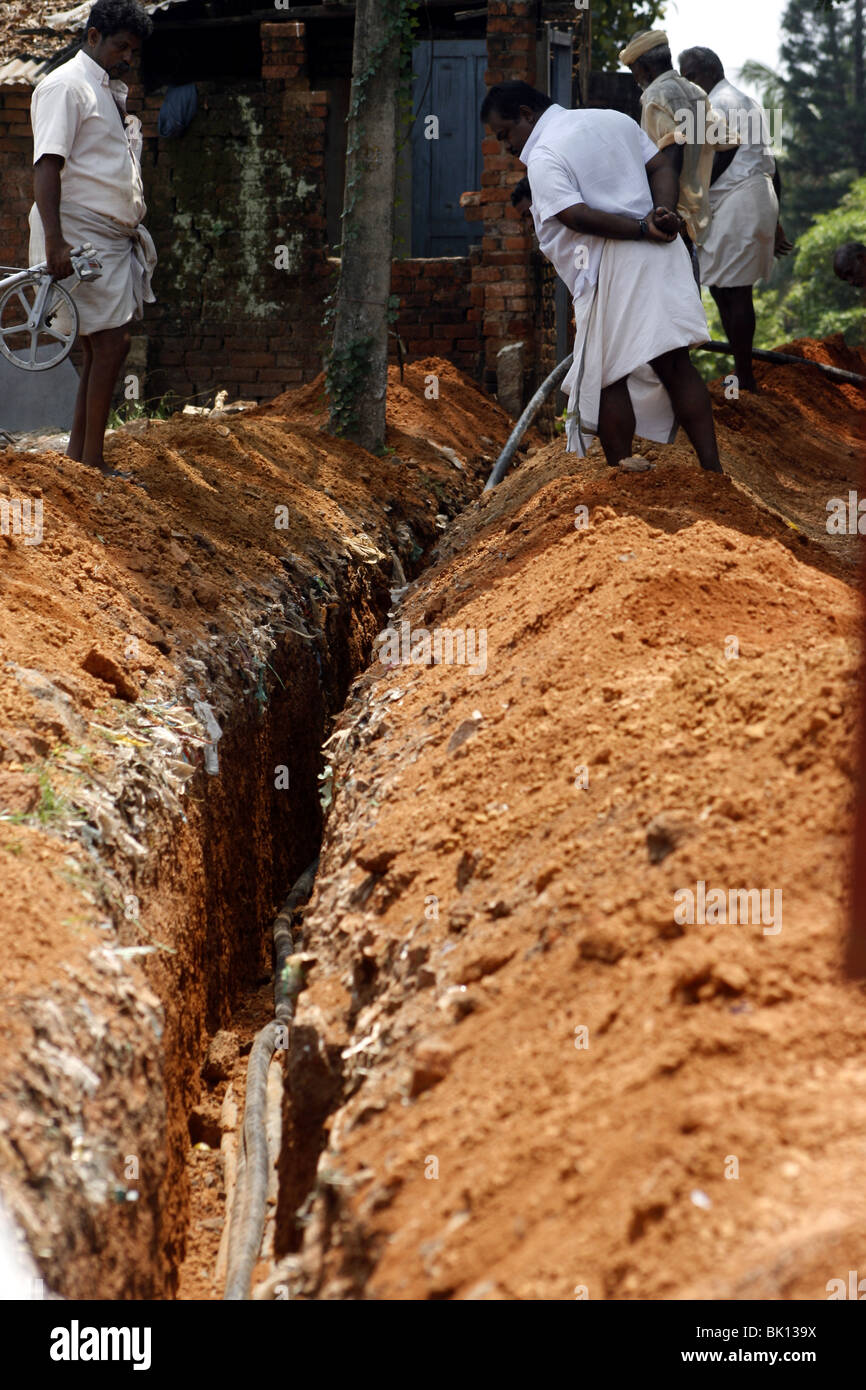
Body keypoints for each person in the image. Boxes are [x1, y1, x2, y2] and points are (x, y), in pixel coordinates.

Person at [480, 81, 723, 473]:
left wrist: (642, 229)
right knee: (676, 366)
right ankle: (713, 471)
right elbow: (662, 164)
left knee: (607, 374)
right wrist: (660, 212)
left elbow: (573, 215)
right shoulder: (611, 120)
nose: (506, 146)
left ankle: (621, 471)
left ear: (527, 113)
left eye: (505, 133)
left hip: (613, 264)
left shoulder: (543, 155)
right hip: (663, 252)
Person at [29, 0, 155, 477]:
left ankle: (80, 461)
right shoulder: (66, 86)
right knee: (112, 342)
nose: (126, 56)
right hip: (79, 232)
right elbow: (47, 165)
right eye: (121, 45)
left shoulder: (104, 90)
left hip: (106, 237)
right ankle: (93, 462)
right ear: (93, 35)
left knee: (97, 345)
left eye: (133, 49)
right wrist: (57, 242)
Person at [679, 46, 792, 393]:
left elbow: (722, 161)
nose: (686, 83)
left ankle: (745, 376)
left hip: (737, 200)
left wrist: (687, 199)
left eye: (690, 76)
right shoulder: (749, 101)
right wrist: (774, 217)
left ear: (708, 73)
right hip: (750, 199)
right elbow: (772, 165)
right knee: (722, 287)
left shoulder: (717, 103)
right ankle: (742, 371)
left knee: (736, 290)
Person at [619, 30, 737, 284]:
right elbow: (729, 142)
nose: (634, 77)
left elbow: (674, 150)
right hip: (690, 219)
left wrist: (664, 212)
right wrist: (699, 186)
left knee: (669, 301)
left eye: (633, 69)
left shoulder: (655, 96)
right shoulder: (694, 91)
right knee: (686, 300)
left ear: (644, 67)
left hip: (669, 219)